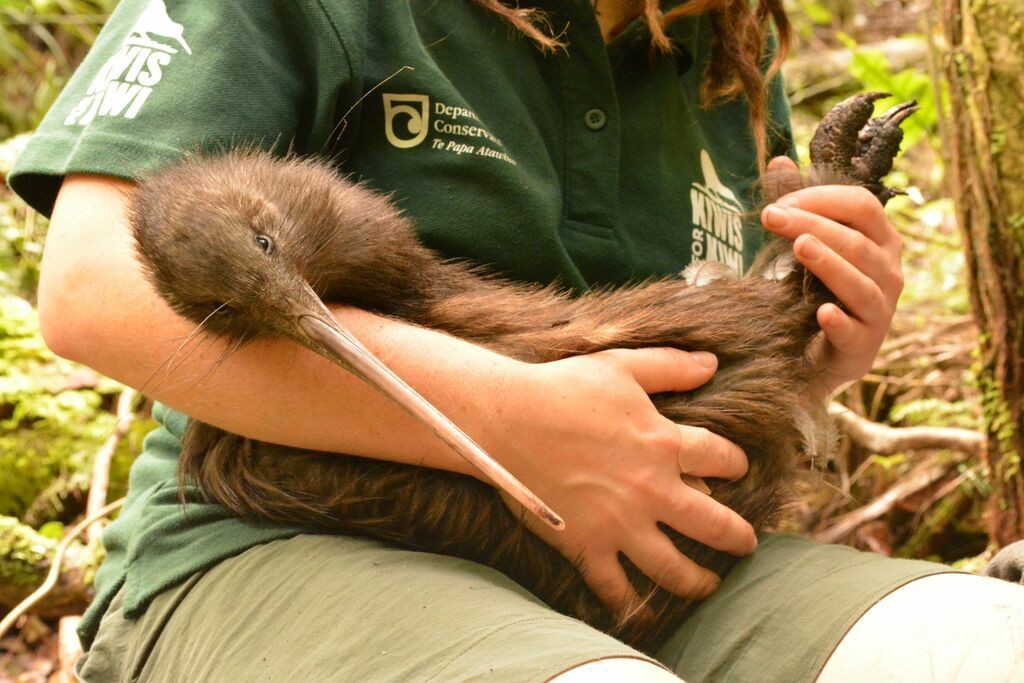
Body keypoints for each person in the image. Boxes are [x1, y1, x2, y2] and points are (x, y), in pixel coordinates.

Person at [10, 0, 1024, 680]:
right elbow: (95, 283)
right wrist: (509, 418)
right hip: (286, 546)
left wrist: (820, 329)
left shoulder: (720, 40)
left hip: (643, 563)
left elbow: (675, 344)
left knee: (978, 648)